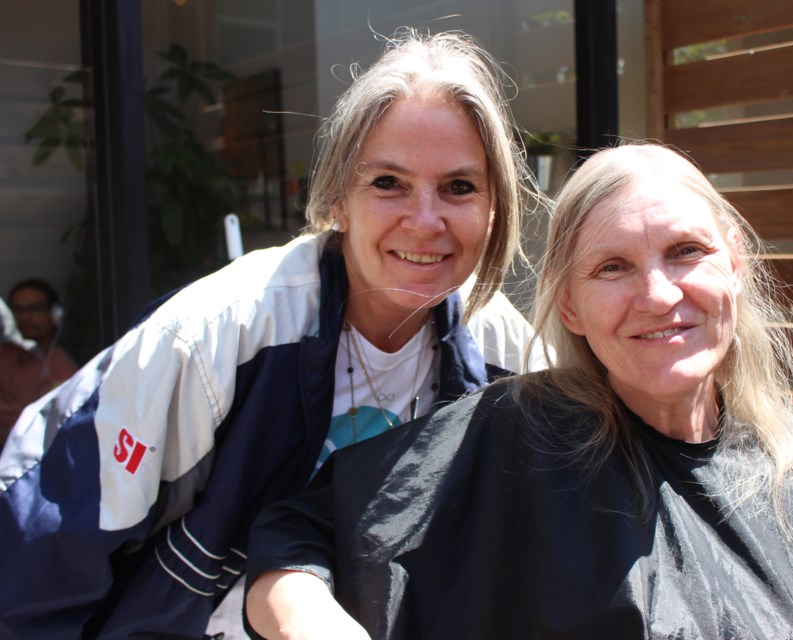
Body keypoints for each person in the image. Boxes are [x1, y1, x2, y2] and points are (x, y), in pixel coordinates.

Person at [245, 143, 793, 639]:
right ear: (570, 309)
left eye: (687, 251)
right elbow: (302, 535)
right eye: (613, 267)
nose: (658, 295)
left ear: (735, 267)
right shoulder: (511, 442)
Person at [0, 29, 546, 639]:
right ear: (338, 196)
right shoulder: (214, 337)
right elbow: (37, 559)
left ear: (495, 208)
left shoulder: (505, 354)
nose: (424, 221)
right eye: (387, 183)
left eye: (459, 187)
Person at [0, 279, 78, 445]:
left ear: (55, 315)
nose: (25, 317)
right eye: (18, 310)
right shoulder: (5, 355)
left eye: (34, 309)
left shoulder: (61, 368)